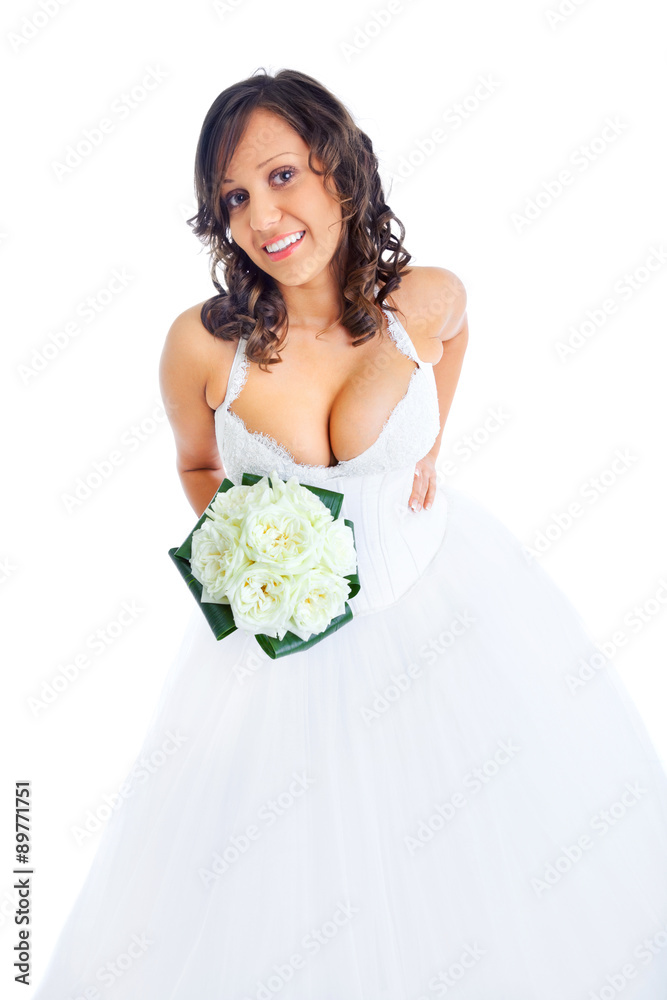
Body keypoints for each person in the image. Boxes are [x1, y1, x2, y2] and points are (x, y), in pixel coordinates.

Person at [32, 68, 667, 1000]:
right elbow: (196, 469)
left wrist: (431, 444)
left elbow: (455, 331)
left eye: (281, 175)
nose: (261, 216)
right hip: (277, 658)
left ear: (337, 166)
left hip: (443, 612)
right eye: (235, 198)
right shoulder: (203, 344)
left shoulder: (424, 298)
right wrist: (244, 546)